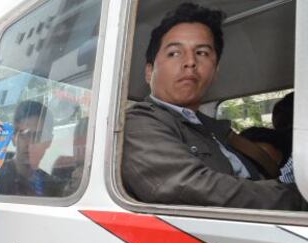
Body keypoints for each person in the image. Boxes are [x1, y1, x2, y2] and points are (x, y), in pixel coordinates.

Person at [121, 2, 305, 210]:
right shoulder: (140, 123)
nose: (190, 62)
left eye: (202, 53)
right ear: (149, 72)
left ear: (215, 71)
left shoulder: (216, 130)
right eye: (174, 53)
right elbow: (190, 186)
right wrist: (297, 198)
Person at [0, 100, 62, 196]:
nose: (30, 144)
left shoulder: (54, 185)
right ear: (13, 138)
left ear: (49, 141)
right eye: (25, 135)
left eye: (38, 136)